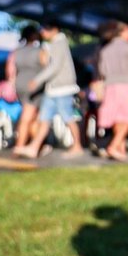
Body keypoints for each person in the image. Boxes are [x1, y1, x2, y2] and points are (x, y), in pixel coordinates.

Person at [17, 21, 84, 158]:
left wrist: (37, 80)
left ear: (54, 29)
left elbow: (54, 66)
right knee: (44, 118)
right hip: (52, 88)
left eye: (45, 29)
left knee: (67, 117)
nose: (42, 33)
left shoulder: (59, 43)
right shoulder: (53, 44)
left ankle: (77, 146)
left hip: (62, 88)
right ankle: (34, 147)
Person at [94, 20, 128, 160]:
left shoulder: (105, 49)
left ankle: (120, 149)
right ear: (122, 32)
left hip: (110, 86)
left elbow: (102, 71)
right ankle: (114, 146)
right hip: (127, 85)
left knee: (117, 118)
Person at [8, 23, 44, 155]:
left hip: (20, 86)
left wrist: (12, 84)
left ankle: (36, 145)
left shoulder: (16, 51)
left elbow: (10, 70)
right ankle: (19, 146)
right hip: (34, 87)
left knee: (32, 117)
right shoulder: (40, 51)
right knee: (27, 117)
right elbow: (48, 69)